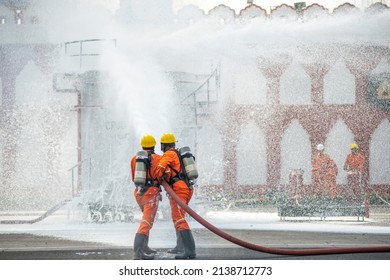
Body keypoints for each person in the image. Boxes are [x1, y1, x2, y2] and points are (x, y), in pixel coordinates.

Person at [154, 132, 196, 259]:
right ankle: (180, 246)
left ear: (163, 145)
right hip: (186, 188)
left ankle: (190, 251)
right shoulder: (177, 154)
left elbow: (160, 168)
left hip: (179, 190)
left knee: (179, 218)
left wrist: (157, 176)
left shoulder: (169, 154)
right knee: (178, 217)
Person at [130, 134, 162, 260]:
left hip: (139, 193)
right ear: (154, 146)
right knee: (147, 222)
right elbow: (161, 176)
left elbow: (134, 177)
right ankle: (138, 250)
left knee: (146, 220)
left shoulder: (134, 159)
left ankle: (145, 247)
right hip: (151, 194)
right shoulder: (158, 158)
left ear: (142, 145)